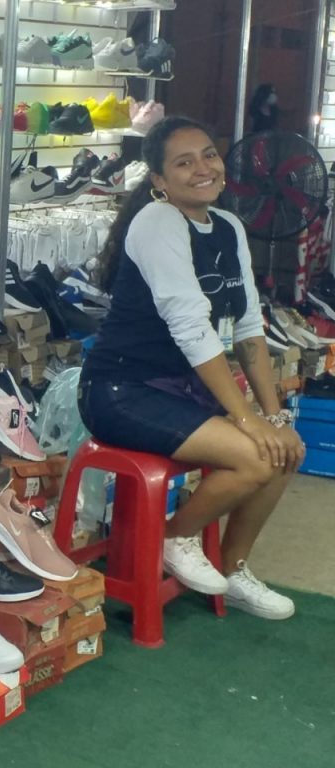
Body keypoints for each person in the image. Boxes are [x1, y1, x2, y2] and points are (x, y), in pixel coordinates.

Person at [78, 116, 305, 620]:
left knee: (285, 449)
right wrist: (246, 418)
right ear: (159, 179)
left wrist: (273, 416)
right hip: (121, 391)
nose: (203, 168)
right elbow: (192, 329)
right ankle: (172, 538)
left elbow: (249, 327)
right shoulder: (157, 222)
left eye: (209, 155)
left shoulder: (227, 226)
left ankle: (233, 568)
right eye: (184, 163)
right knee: (256, 457)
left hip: (181, 390)